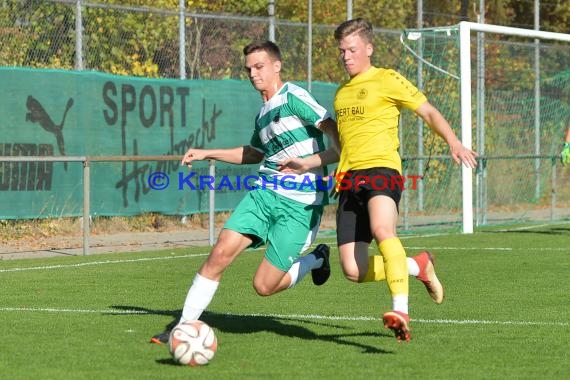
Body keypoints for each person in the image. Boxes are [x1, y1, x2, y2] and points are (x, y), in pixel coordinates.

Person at [150, 40, 339, 344]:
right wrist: (207, 153)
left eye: (259, 66)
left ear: (277, 66)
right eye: (248, 69)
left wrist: (309, 163)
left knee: (264, 286)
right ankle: (182, 326)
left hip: (300, 206)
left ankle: (317, 258)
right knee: (220, 252)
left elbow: (335, 135)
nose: (252, 74)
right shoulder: (263, 113)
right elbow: (254, 154)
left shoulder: (293, 97)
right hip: (264, 194)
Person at [331, 18, 478, 342]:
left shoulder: (387, 79)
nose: (346, 56)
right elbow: (343, 145)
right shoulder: (341, 94)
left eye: (352, 49)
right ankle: (418, 266)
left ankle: (401, 309)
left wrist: (453, 142)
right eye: (342, 51)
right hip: (348, 181)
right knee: (353, 271)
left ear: (369, 48)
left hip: (383, 171)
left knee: (385, 231)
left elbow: (428, 112)